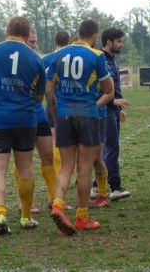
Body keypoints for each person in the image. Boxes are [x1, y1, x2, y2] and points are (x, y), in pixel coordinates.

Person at [0, 17, 46, 234]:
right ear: (27, 33)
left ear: (8, 31)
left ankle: (0, 213)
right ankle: (25, 217)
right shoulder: (35, 58)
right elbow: (39, 96)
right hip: (25, 119)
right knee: (25, 167)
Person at [46, 20, 114, 235]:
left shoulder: (58, 55)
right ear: (95, 36)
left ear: (78, 33)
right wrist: (93, 106)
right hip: (87, 115)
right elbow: (109, 91)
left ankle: (58, 204)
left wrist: (56, 117)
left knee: (66, 166)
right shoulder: (96, 56)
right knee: (85, 167)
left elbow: (49, 92)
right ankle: (82, 217)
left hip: (64, 115)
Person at [13, 30, 56, 213]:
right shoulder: (15, 61)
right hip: (21, 115)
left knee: (48, 155)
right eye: (30, 40)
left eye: (35, 41)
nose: (33, 44)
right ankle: (26, 202)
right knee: (24, 161)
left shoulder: (38, 60)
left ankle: (54, 198)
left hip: (38, 113)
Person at [99, 27, 132, 201]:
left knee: (107, 148)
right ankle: (114, 187)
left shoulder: (114, 59)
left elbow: (114, 87)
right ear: (108, 42)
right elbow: (98, 89)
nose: (122, 44)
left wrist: (119, 108)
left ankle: (97, 185)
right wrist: (113, 102)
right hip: (104, 110)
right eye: (119, 41)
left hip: (112, 110)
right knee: (111, 147)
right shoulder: (100, 59)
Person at [42, 31, 70, 177]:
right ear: (69, 41)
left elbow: (43, 85)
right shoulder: (71, 57)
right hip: (69, 104)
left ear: (55, 42)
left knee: (54, 140)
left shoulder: (45, 59)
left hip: (51, 102)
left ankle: (58, 173)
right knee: (73, 141)